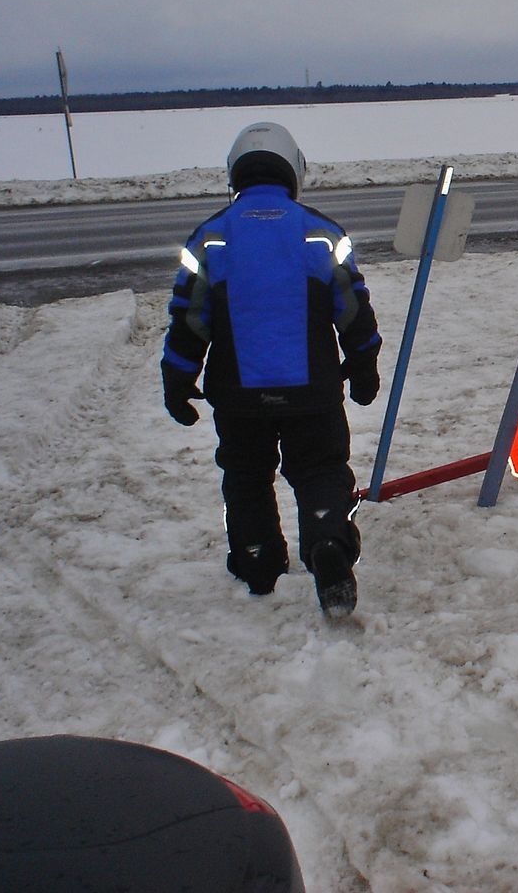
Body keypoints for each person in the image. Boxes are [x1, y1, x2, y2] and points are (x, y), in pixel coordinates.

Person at [161, 122, 382, 617]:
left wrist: (177, 378)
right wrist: (363, 364)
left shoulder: (210, 238)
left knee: (245, 476)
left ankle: (257, 563)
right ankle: (328, 541)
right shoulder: (321, 233)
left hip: (238, 397)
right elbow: (353, 308)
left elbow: (189, 318)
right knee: (321, 468)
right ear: (294, 169)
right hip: (313, 391)